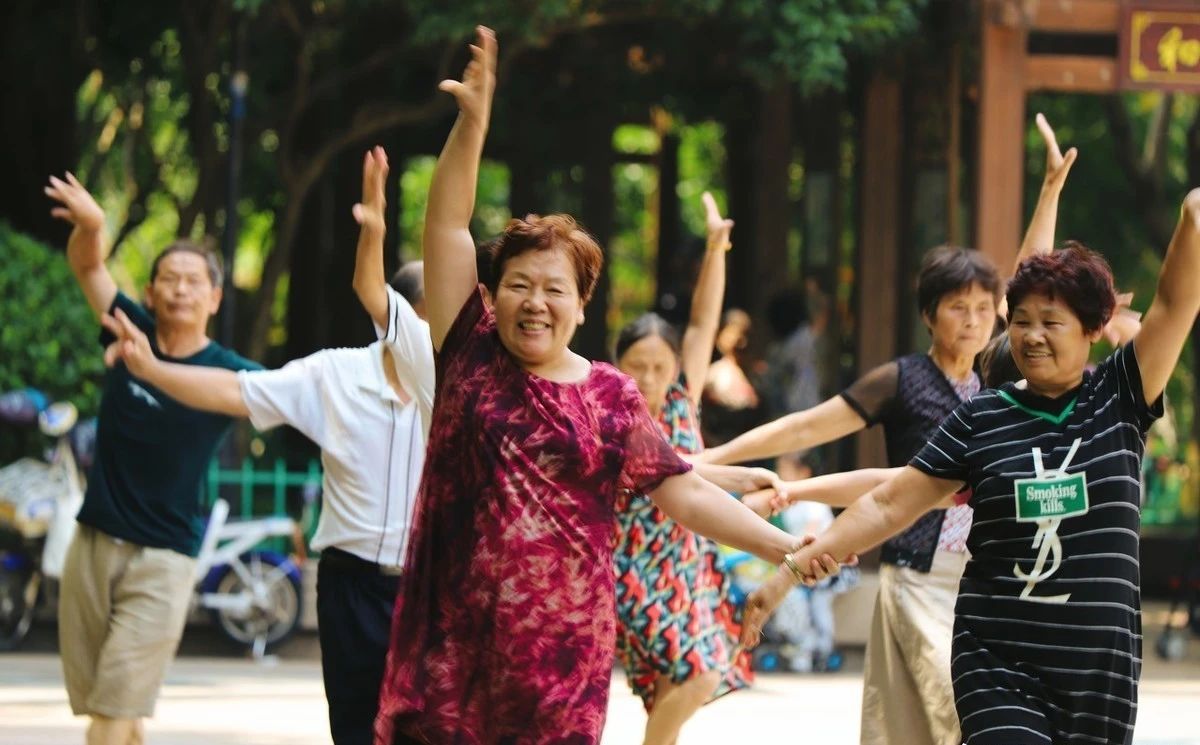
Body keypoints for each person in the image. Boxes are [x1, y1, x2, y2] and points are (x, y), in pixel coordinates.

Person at [372, 27, 840, 745]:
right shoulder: (467, 351)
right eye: (518, 284)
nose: (534, 301)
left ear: (583, 305)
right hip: (452, 649)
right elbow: (448, 224)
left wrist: (783, 549)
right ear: (490, 297)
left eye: (553, 288)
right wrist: (472, 126)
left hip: (561, 659)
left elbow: (682, 491)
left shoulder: (613, 397)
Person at [744, 188, 1200, 743]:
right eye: (1023, 321)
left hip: (1097, 671)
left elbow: (1176, 304)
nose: (1031, 335)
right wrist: (789, 572)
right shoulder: (984, 417)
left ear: (1093, 330)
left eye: (1051, 323)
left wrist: (1192, 218)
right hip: (998, 659)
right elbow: (891, 500)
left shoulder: (1119, 395)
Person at [698, 113, 1079, 745]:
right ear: (930, 314)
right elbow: (806, 430)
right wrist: (713, 457)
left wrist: (1049, 192)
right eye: (959, 307)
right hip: (916, 575)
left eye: (986, 309)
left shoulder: (1000, 378)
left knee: (944, 723)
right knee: (944, 715)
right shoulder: (901, 381)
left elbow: (1029, 279)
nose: (976, 320)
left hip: (990, 576)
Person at [100, 147, 433, 745]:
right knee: (358, 730)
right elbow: (235, 390)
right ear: (400, 320)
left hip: (434, 581)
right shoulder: (334, 376)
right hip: (353, 583)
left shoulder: (469, 390)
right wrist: (151, 371)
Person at [44, 174, 261, 745]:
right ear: (150, 292)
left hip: (164, 558)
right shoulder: (130, 330)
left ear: (215, 298)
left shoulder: (232, 372)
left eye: (194, 282)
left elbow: (295, 399)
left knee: (115, 705)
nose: (181, 290)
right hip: (93, 544)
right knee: (112, 702)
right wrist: (93, 226)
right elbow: (90, 269)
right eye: (169, 279)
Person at [612, 192, 781, 744]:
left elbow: (705, 319)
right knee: (701, 670)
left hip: (687, 560)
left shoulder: (683, 399)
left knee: (673, 684)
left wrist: (716, 247)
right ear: (619, 366)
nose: (651, 376)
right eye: (638, 366)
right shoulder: (609, 409)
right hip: (633, 567)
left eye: (660, 365)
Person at [701, 308, 764, 447]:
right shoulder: (714, 374)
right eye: (732, 333)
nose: (740, 340)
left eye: (743, 334)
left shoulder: (756, 374)